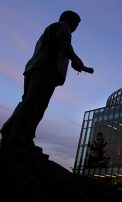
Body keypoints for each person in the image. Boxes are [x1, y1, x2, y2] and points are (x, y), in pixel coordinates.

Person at [0, 10, 92, 151]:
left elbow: (59, 48)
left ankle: (11, 133)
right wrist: (75, 58)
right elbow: (64, 45)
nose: (75, 27)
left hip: (35, 67)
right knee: (37, 104)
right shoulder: (63, 27)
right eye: (76, 23)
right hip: (47, 69)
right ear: (69, 20)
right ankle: (22, 137)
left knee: (29, 101)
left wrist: (74, 61)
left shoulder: (50, 30)